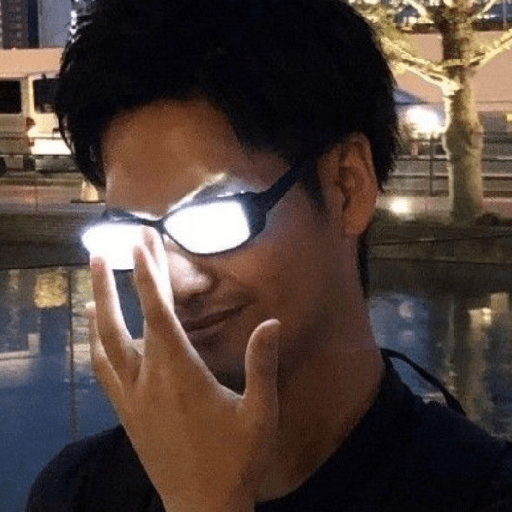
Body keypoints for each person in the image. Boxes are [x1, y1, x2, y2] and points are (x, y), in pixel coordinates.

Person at [26, 0, 512, 510]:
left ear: (347, 187)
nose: (175, 281)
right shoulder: (79, 491)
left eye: (213, 218)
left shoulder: (481, 493)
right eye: (133, 232)